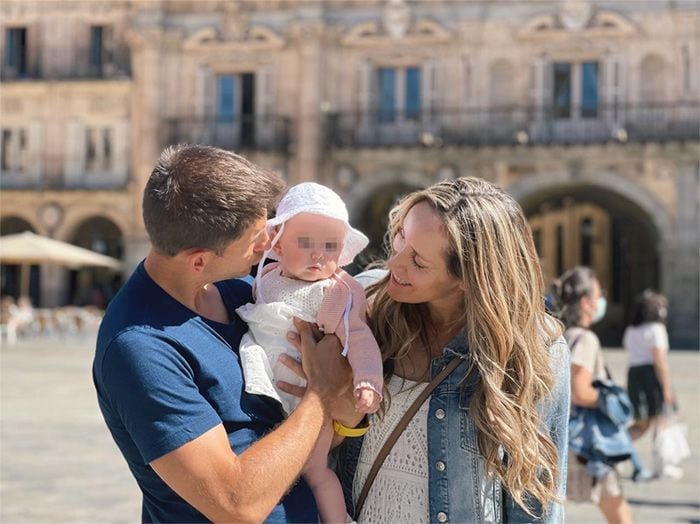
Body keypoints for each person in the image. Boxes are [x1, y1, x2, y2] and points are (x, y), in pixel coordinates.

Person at [283, 177, 570, 523]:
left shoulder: (534, 347)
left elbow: (533, 495)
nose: (393, 264)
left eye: (418, 262)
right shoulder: (358, 305)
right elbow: (306, 447)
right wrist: (330, 400)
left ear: (469, 278)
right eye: (401, 237)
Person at [92, 144, 353, 523]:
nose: (269, 245)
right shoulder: (141, 348)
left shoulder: (241, 292)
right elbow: (235, 504)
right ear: (198, 259)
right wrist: (321, 396)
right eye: (254, 239)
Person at [236, 182, 383, 522]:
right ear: (278, 244)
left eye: (331, 246)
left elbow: (359, 337)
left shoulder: (336, 293)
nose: (319, 254)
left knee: (316, 471)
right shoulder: (266, 277)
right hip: (270, 391)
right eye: (306, 243)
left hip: (312, 403)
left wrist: (367, 379)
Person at [549, 266, 635, 524]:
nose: (601, 302)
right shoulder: (586, 339)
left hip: (565, 436)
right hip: (588, 443)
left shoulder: (561, 335)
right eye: (599, 296)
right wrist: (608, 400)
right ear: (586, 303)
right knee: (620, 514)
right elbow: (579, 390)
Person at [623, 291, 674, 440]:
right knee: (661, 420)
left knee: (641, 423)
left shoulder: (631, 330)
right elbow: (660, 361)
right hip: (651, 375)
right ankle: (663, 460)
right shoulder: (656, 329)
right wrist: (666, 389)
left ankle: (616, 447)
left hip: (634, 374)